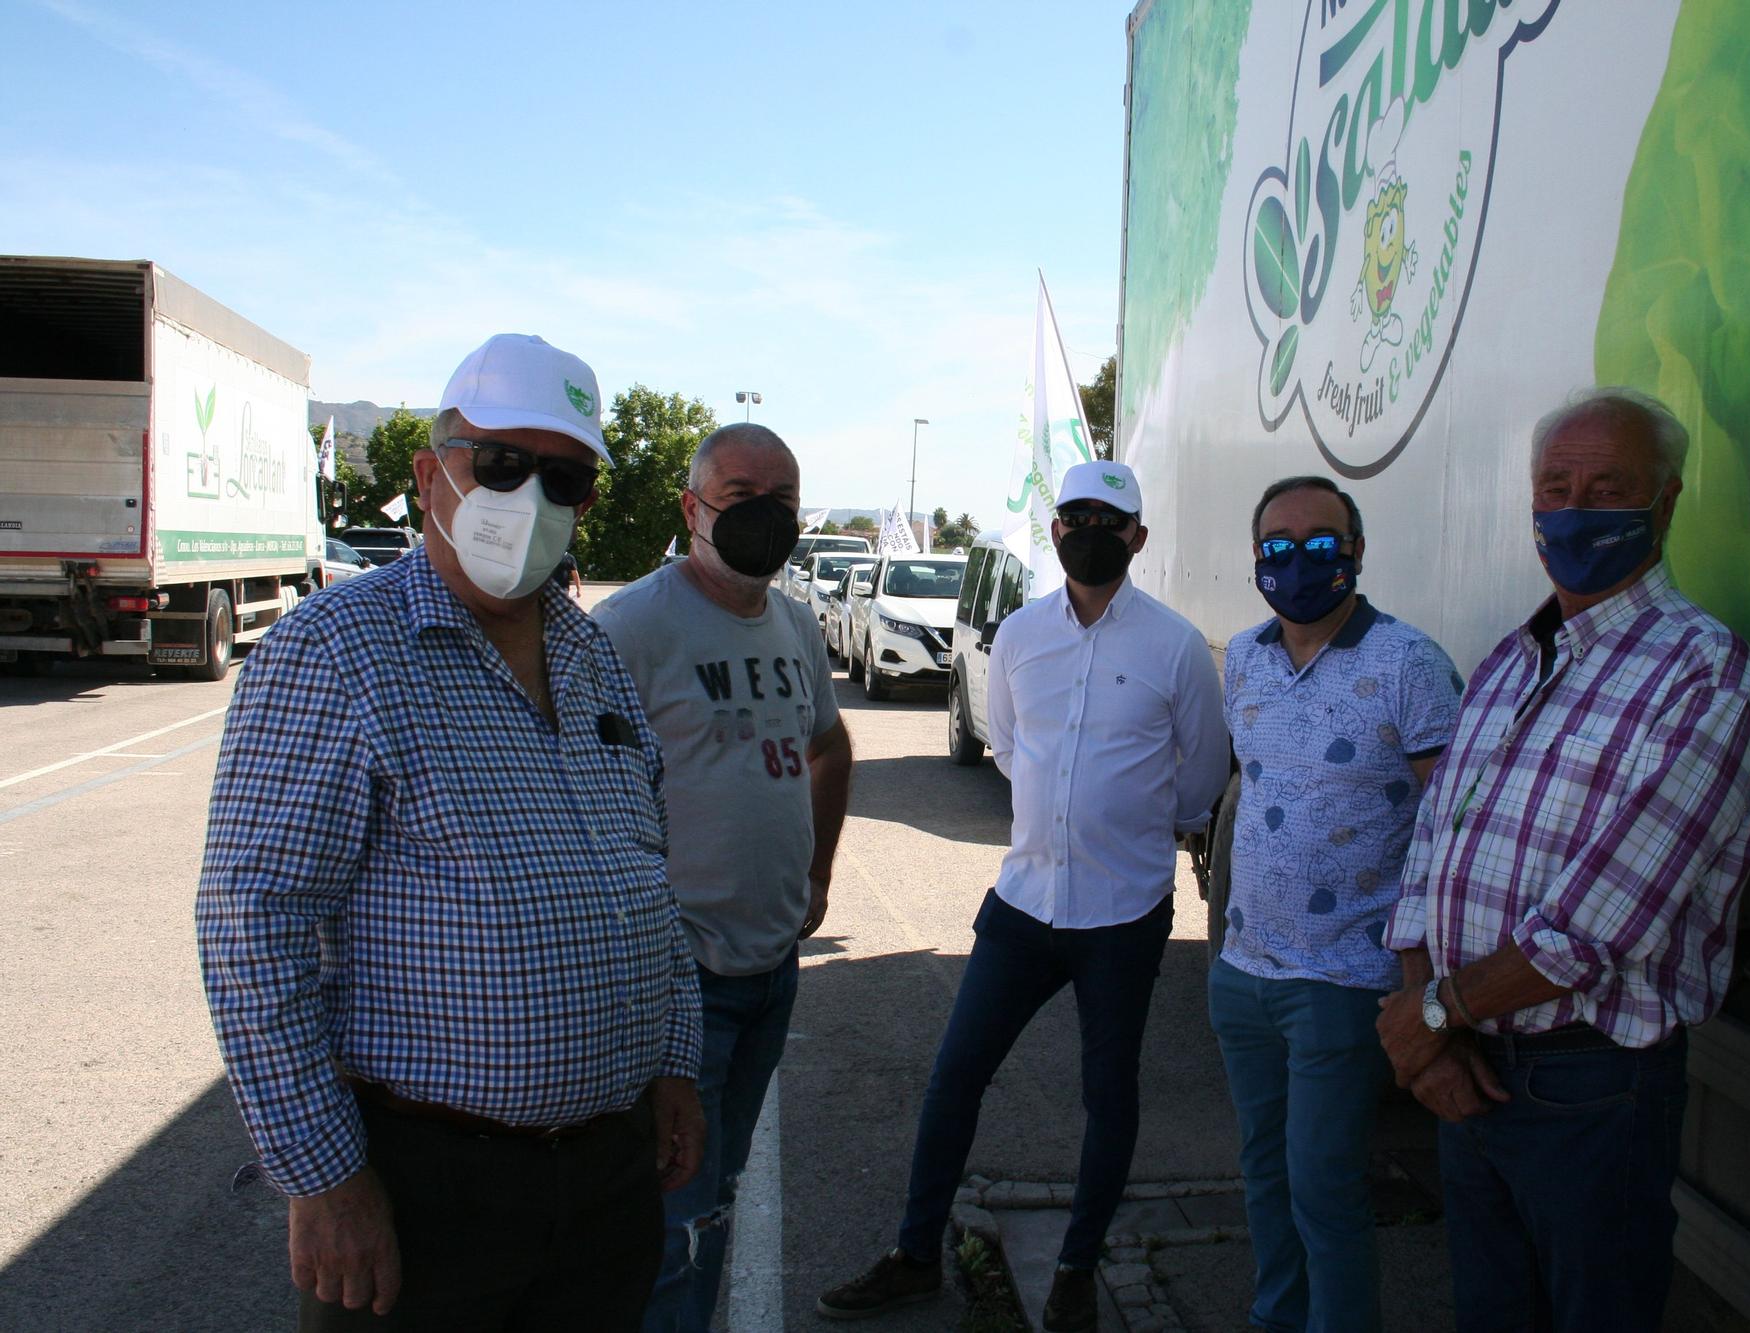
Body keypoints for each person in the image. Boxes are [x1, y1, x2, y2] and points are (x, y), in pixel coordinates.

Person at [196, 333, 706, 1331]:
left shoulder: (592, 656)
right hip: (428, 1190)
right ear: (430, 474)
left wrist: (674, 1064)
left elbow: (648, 881)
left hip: (606, 1181)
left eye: (562, 477)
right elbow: (252, 923)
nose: (529, 500)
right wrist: (325, 1180)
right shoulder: (335, 651)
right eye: (501, 465)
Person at [1376, 387, 1750, 1332]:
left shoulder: (1704, 676)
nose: (1575, 507)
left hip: (1589, 1089)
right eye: (1556, 486)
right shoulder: (1514, 659)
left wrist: (1429, 1013)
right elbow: (1429, 855)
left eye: (1609, 486)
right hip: (1468, 1065)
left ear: (1665, 502)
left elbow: (1593, 931)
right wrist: (1428, 1020)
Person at [818, 460, 1230, 1332]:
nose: (1089, 529)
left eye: (1109, 520)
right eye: (1075, 514)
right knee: (955, 1077)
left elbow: (1196, 783)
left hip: (1124, 915)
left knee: (1109, 1092)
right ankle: (915, 1252)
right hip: (1023, 903)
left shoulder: (1176, 646)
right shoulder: (1019, 637)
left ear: (1137, 538)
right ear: (1055, 530)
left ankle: (1078, 1265)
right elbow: (1008, 749)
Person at [595, 423, 854, 1332]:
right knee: (673, 1226)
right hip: (680, 987)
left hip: (771, 971)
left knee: (714, 1199)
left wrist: (817, 873)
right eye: (741, 497)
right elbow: (575, 793)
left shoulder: (793, 621)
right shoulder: (631, 627)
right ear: (691, 506)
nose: (764, 518)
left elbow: (828, 742)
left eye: (782, 502)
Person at [1212, 476, 1462, 1333]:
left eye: (1322, 542)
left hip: (1343, 977)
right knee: (1266, 1177)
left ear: (1356, 552)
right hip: (1243, 974)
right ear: (1256, 560)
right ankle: (1276, 1318)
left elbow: (1449, 834)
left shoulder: (1409, 664)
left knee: (1323, 1186)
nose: (1298, 558)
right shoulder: (1244, 657)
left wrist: (1419, 981)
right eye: (1277, 545)